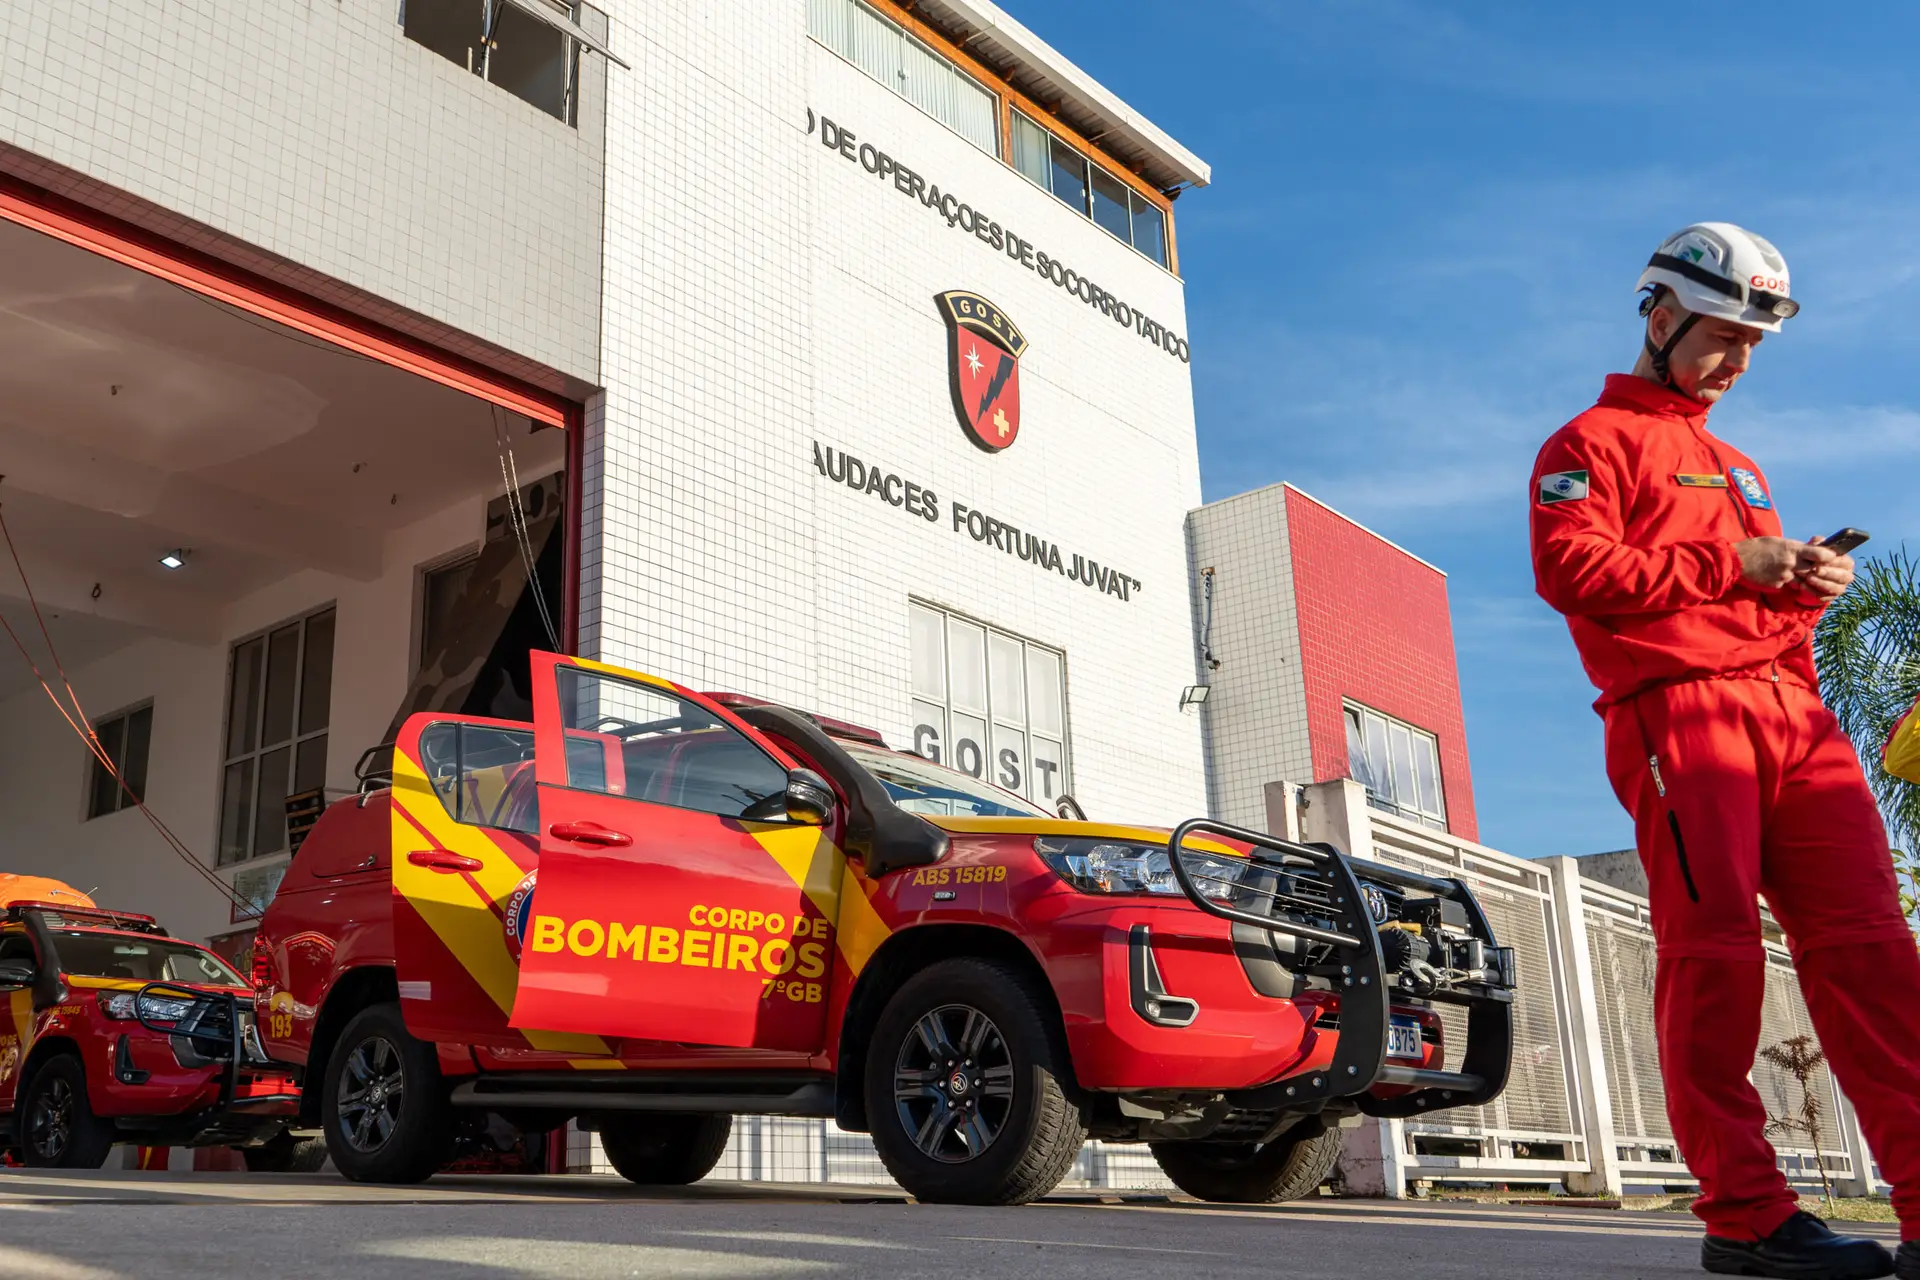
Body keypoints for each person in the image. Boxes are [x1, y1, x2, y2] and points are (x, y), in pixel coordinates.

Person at [1530, 223, 1920, 1280]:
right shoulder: (1587, 443)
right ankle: (1745, 1215)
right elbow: (1573, 571)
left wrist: (1797, 582)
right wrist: (1734, 556)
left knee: (1878, 956)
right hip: (1683, 717)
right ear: (1660, 317)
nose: (1740, 363)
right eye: (1724, 336)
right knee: (1715, 963)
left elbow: (1745, 589)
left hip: (1794, 715)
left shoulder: (1739, 464)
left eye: (1756, 343)